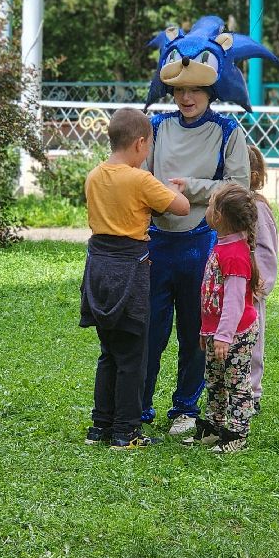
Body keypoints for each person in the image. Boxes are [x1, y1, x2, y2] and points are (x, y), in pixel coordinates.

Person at [80, 107, 189, 450]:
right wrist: (173, 188)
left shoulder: (94, 175)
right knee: (132, 356)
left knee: (109, 352)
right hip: (129, 268)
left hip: (98, 267)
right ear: (141, 143)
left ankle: (101, 425)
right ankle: (126, 431)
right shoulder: (141, 180)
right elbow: (182, 206)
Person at [196, 183, 260, 455]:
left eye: (210, 205)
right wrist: (205, 330)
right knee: (215, 379)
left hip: (235, 333)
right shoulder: (222, 245)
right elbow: (211, 294)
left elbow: (233, 302)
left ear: (219, 216)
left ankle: (237, 433)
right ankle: (214, 426)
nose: (207, 209)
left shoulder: (235, 253)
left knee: (235, 382)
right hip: (217, 333)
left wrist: (223, 336)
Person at [247, 145, 278, 406]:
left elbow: (267, 250)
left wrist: (260, 283)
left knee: (252, 341)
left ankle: (252, 393)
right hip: (230, 284)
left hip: (252, 287)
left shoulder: (256, 208)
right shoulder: (226, 203)